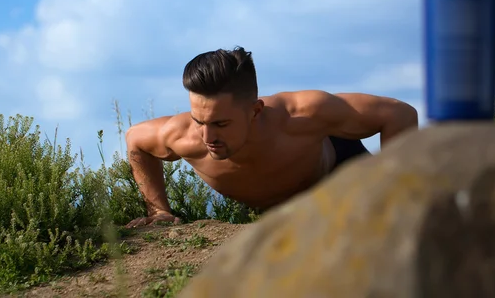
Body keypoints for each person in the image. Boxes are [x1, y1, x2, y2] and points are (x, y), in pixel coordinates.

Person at [125, 46, 419, 228]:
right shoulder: (184, 137)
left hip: (338, 169)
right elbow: (136, 139)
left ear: (255, 111)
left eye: (221, 123)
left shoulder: (302, 115)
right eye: (198, 121)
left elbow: (399, 114)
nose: (207, 136)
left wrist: (395, 196)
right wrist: (159, 210)